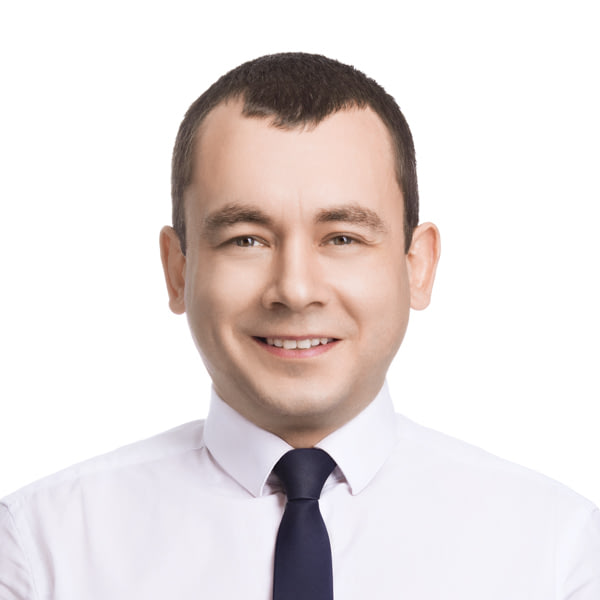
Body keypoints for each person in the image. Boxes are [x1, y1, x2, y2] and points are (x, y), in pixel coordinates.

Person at [1, 52, 598, 599]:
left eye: (342, 238)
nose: (295, 289)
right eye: (246, 239)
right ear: (178, 270)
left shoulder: (557, 551)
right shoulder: (41, 550)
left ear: (417, 266)